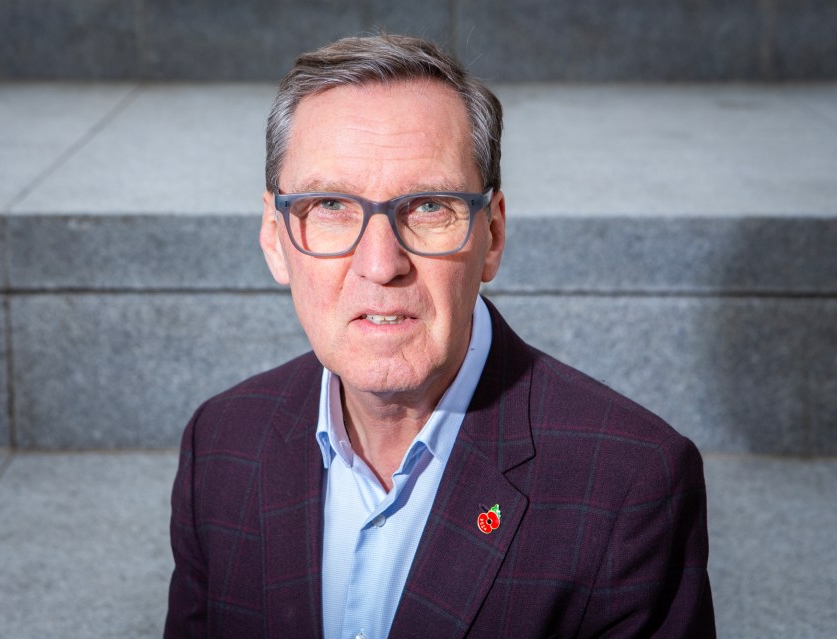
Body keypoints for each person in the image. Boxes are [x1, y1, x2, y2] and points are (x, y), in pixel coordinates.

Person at [165, 33, 715, 638]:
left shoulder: (630, 485)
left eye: (428, 207)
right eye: (329, 206)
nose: (381, 264)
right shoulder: (219, 446)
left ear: (493, 237)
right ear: (274, 237)